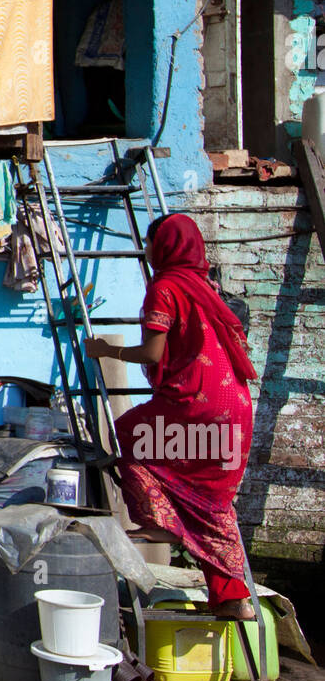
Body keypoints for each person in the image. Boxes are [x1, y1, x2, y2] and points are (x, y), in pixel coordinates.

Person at [84, 212, 257, 619]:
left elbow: (153, 353)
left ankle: (158, 521)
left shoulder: (165, 287)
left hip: (196, 401)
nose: (145, 250)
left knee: (127, 434)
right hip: (237, 406)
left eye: (148, 242)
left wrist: (105, 352)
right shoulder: (207, 286)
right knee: (210, 502)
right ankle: (232, 598)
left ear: (164, 247)